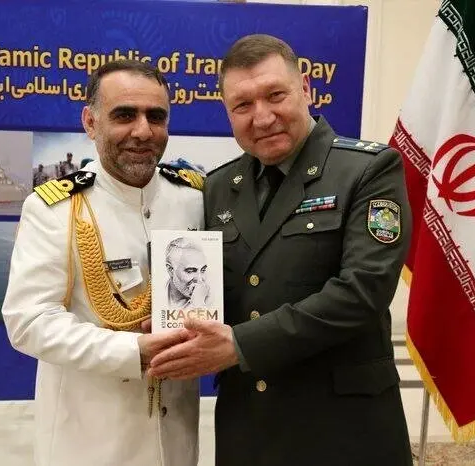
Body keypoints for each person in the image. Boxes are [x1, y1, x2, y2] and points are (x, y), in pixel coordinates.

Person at [148, 34, 413, 465]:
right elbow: (219, 291)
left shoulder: (368, 169)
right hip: (249, 429)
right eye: (243, 105)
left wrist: (240, 344)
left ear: (305, 88)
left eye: (275, 95)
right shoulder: (219, 186)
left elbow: (364, 291)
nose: (263, 117)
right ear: (227, 112)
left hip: (343, 432)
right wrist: (175, 319)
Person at [1, 59, 204, 466]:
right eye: (124, 115)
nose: (143, 131)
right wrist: (133, 351)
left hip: (177, 443)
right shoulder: (55, 208)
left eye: (156, 116)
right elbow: (29, 321)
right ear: (90, 123)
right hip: (90, 446)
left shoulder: (194, 198)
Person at [165, 237, 210, 309]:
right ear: (170, 270)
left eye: (203, 270)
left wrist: (198, 304)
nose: (200, 280)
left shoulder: (211, 298)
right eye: (190, 271)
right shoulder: (158, 295)